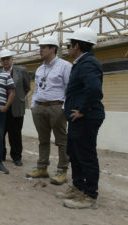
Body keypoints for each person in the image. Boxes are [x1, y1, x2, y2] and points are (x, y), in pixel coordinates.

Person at [56, 27, 105, 209]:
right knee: (74, 153)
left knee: (86, 156)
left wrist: (82, 110)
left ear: (77, 46)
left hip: (86, 117)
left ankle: (90, 195)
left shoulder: (88, 63)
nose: (68, 48)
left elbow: (94, 90)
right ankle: (78, 187)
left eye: (70, 45)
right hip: (78, 118)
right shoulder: (81, 62)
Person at [25, 36, 72, 185]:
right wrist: (33, 105)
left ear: (53, 49)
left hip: (56, 107)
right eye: (40, 47)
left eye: (44, 47)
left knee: (61, 140)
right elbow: (37, 88)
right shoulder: (40, 68)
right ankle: (42, 168)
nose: (40, 50)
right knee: (43, 140)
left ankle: (62, 171)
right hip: (40, 107)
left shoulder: (65, 66)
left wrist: (63, 108)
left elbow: (69, 88)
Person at [0, 49, 31, 166]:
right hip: (1, 107)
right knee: (0, 133)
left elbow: (26, 87)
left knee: (16, 134)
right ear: (0, 61)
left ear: (12, 59)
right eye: (3, 59)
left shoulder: (21, 71)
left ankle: (16, 157)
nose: (6, 61)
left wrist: (19, 98)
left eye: (8, 58)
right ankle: (0, 155)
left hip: (16, 107)